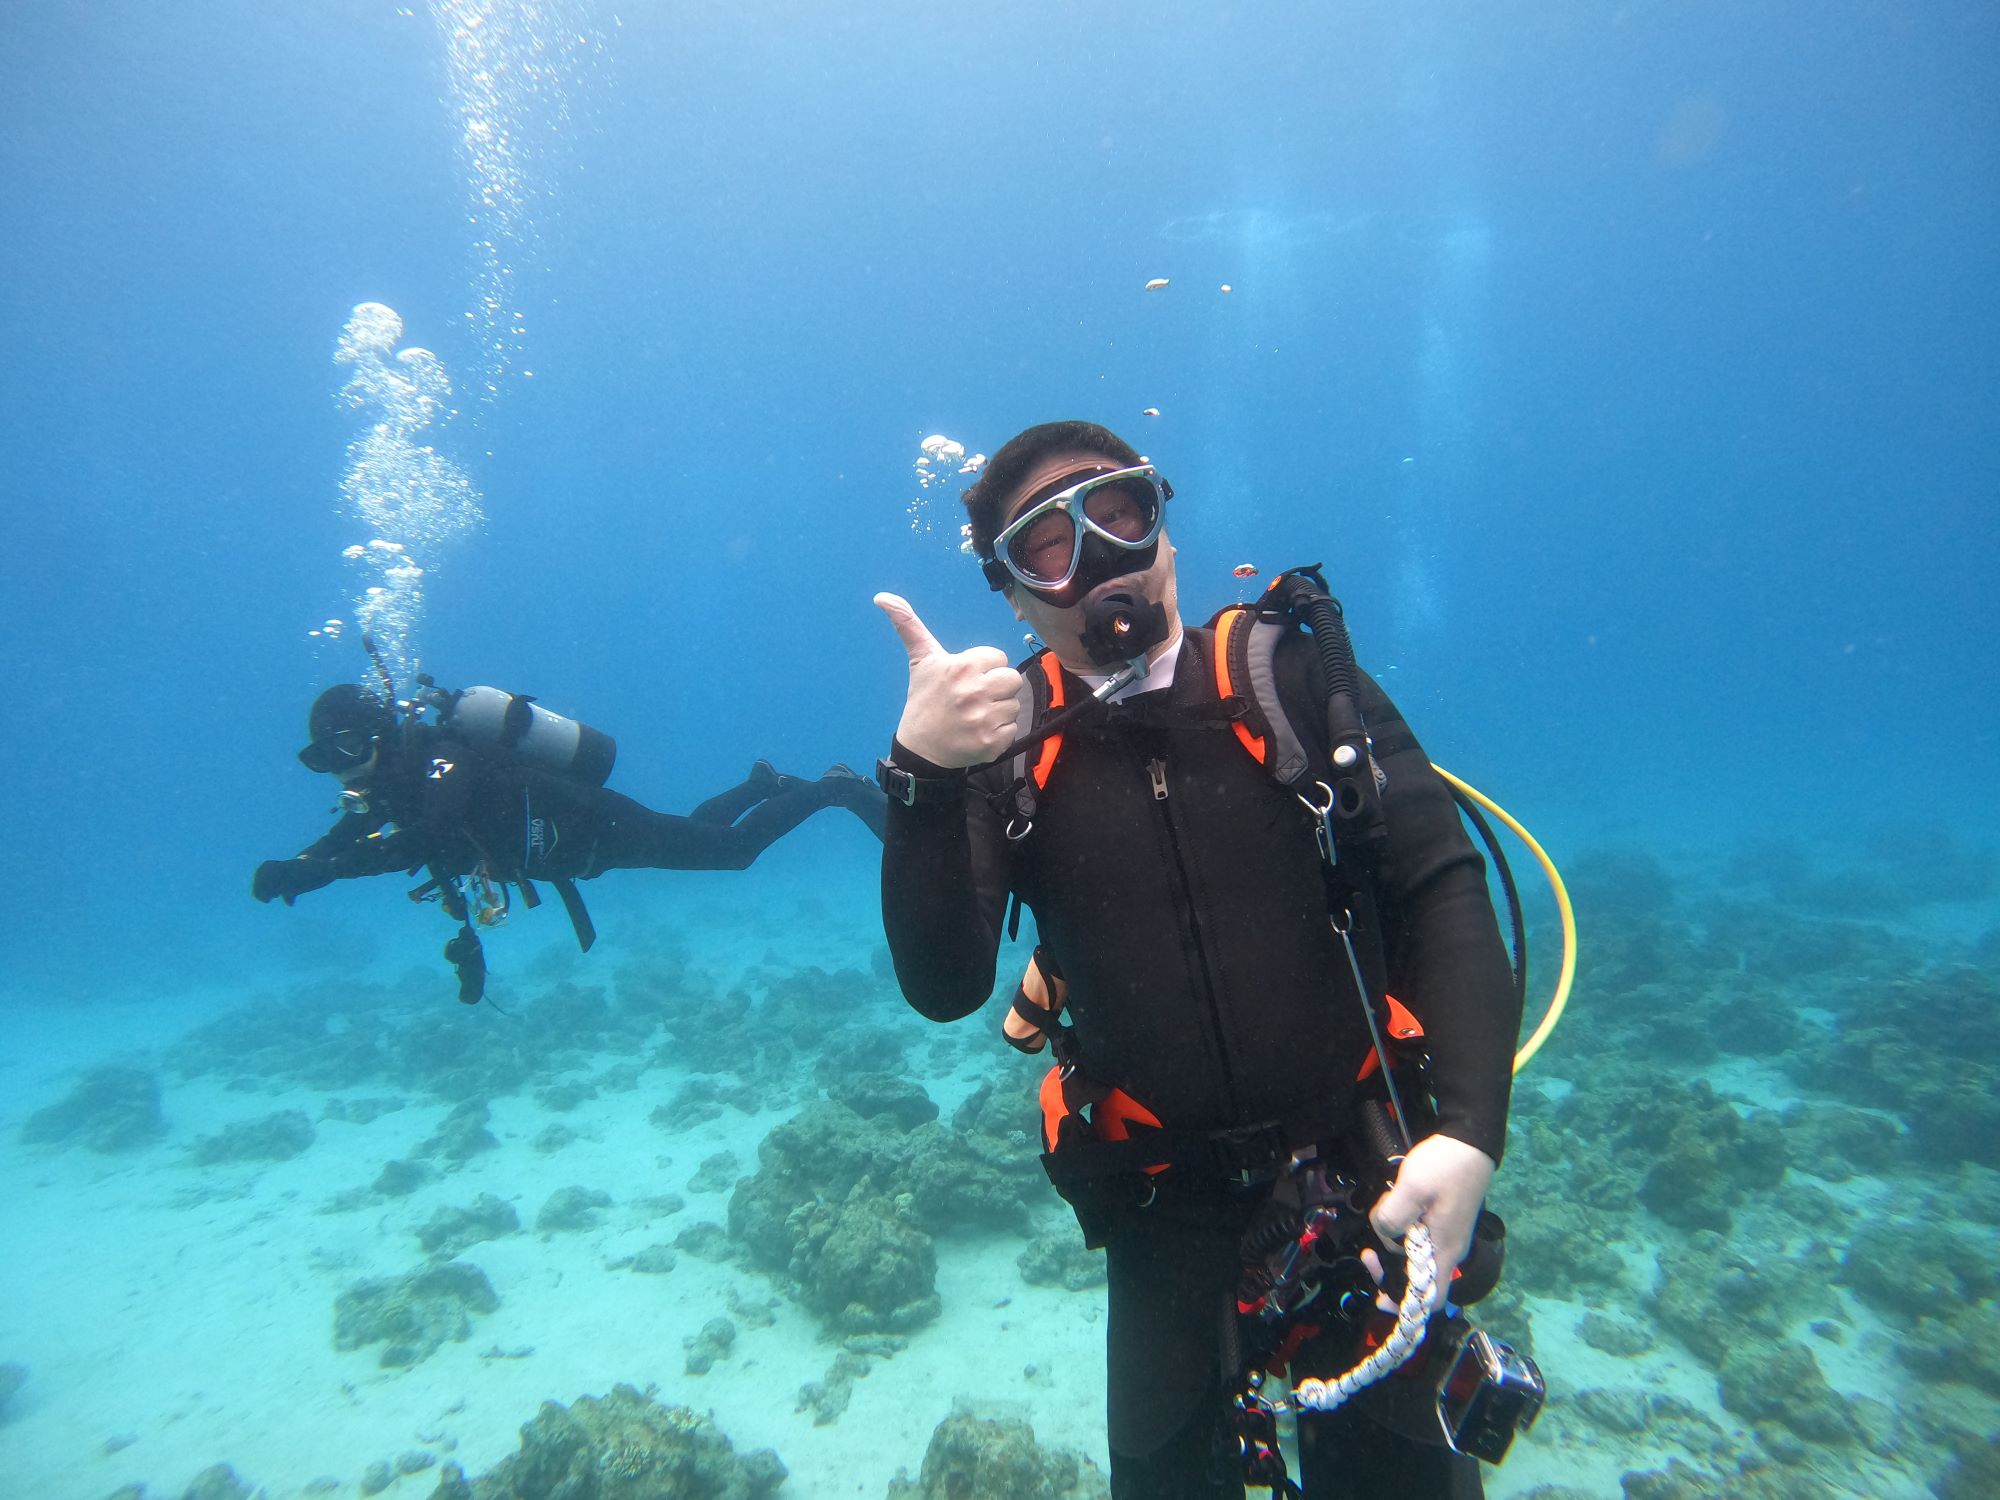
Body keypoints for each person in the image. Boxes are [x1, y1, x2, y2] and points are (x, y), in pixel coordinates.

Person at [872, 421, 1521, 1499]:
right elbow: (943, 989)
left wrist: (1467, 1137)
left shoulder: (1293, 676)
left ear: (1164, 532)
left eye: (1119, 512)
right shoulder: (1001, 757)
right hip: (1160, 1211)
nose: (1099, 558)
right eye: (1048, 544)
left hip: (1367, 1180)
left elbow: (1440, 884)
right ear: (1014, 595)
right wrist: (921, 776)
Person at [255, 683, 885, 992]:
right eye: (320, 760)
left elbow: (427, 838)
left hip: (587, 824)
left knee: (731, 853)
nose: (337, 770)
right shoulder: (393, 784)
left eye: (340, 751)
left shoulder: (441, 758)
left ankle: (835, 786)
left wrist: (327, 871)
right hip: (578, 849)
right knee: (699, 835)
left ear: (371, 735)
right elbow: (354, 829)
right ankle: (759, 783)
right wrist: (302, 864)